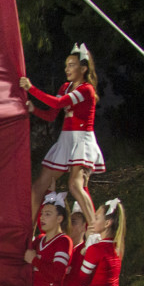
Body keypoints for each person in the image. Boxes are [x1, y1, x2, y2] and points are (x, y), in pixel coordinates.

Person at [20, 43, 102, 227]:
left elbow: (58, 103)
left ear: (83, 68)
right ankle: (28, 236)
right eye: (66, 65)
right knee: (39, 186)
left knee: (75, 184)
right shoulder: (65, 87)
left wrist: (31, 89)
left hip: (81, 140)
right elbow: (51, 114)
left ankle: (95, 231)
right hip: (65, 140)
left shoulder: (86, 89)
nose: (67, 69)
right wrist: (34, 109)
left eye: (72, 65)